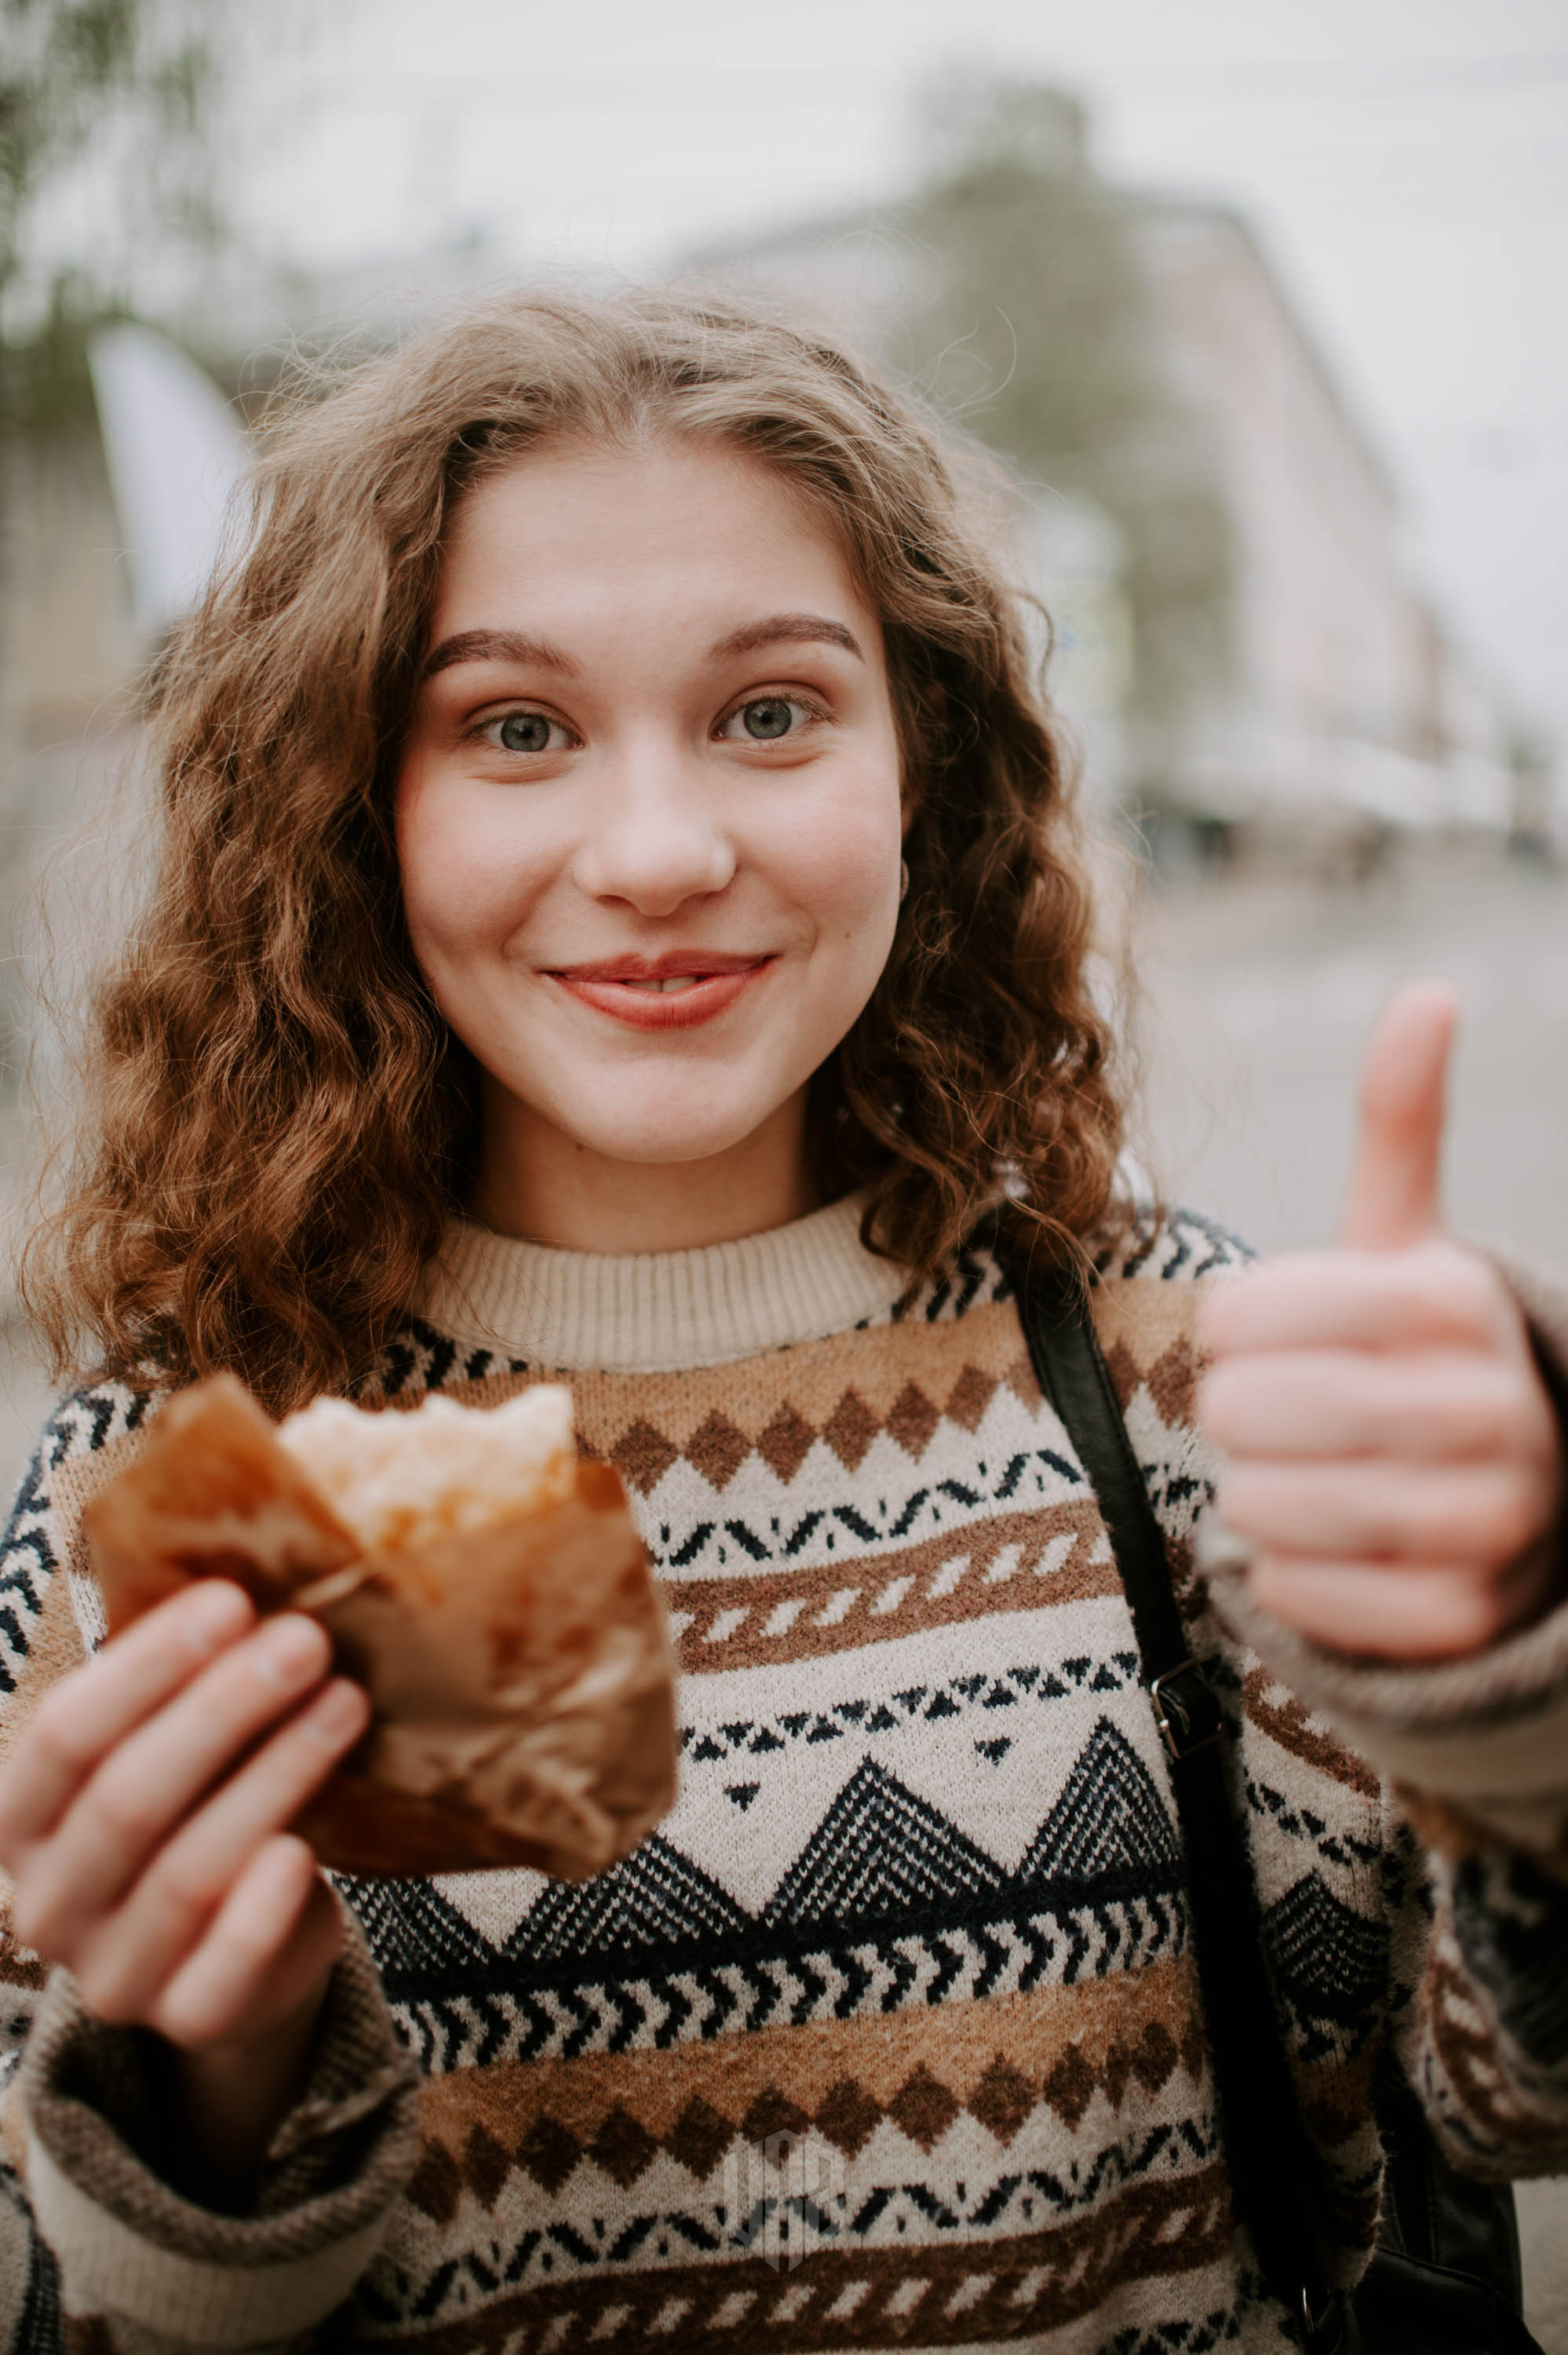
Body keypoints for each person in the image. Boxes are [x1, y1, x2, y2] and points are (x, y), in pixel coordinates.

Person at [0, 288, 1563, 2354]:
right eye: (516, 727)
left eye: (768, 711)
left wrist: (1525, 1680)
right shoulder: (159, 1503)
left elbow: (1510, 2105)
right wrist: (212, 2100)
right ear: (350, 802)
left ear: (926, 765)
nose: (660, 853)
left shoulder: (1215, 1397)